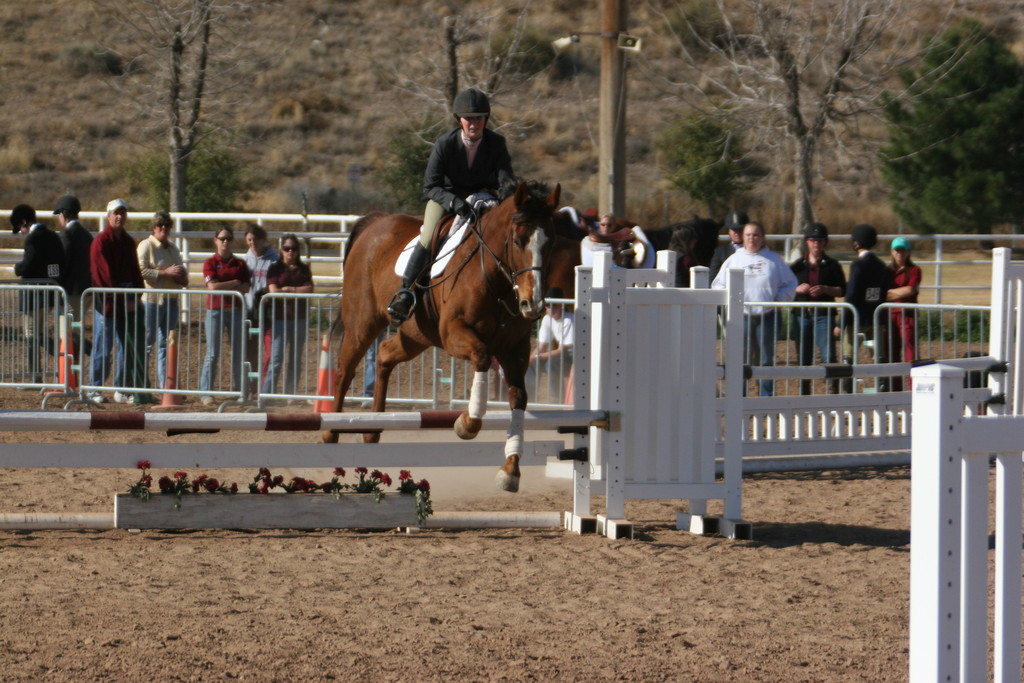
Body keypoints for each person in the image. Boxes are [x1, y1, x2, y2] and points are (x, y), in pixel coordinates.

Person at [387, 87, 515, 325]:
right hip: (446, 198)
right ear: (460, 120)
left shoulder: (497, 143)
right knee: (428, 235)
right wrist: (455, 203)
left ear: (485, 119)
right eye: (469, 119)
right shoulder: (445, 144)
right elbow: (430, 187)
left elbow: (506, 179)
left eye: (478, 118)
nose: (473, 123)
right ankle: (405, 292)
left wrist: (506, 196)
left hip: (482, 198)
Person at [712, 221, 798, 397]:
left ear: (763, 237)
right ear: (743, 237)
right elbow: (718, 284)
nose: (752, 238)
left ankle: (766, 397)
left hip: (767, 316)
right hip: (740, 317)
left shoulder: (774, 260)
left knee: (765, 359)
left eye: (756, 235)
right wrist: (729, 301)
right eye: (749, 235)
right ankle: (739, 397)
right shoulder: (734, 259)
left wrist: (779, 300)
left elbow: (790, 283)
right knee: (740, 358)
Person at [89, 199, 150, 405]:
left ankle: (121, 388)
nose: (119, 217)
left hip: (126, 303)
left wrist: (137, 295)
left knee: (126, 348)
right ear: (108, 216)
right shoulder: (101, 242)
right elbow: (104, 278)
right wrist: (126, 299)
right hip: (107, 305)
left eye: (122, 213)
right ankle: (94, 387)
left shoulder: (127, 241)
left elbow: (135, 271)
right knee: (102, 348)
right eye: (116, 213)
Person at [790, 222, 846, 394]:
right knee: (803, 357)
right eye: (813, 240)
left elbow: (842, 289)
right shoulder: (797, 266)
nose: (816, 244)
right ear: (807, 242)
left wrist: (825, 289)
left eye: (820, 240)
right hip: (802, 314)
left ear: (825, 242)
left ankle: (831, 394)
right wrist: (797, 289)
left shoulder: (833, 265)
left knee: (828, 355)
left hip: (824, 314)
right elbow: (786, 289)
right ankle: (804, 394)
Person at [11, 204, 65, 384]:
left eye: (20, 227)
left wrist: (17, 268)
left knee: (31, 334)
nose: (21, 231)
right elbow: (58, 264)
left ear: (24, 222)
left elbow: (28, 264)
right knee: (38, 333)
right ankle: (64, 354)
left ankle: (35, 375)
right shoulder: (53, 236)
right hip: (50, 292)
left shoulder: (32, 240)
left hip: (34, 295)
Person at [137, 210, 188, 390]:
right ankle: (141, 383)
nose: (164, 228)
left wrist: (181, 277)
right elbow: (141, 271)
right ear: (154, 227)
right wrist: (165, 272)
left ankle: (165, 385)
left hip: (171, 299)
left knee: (166, 344)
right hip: (152, 300)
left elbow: (182, 272)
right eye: (160, 225)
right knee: (147, 342)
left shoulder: (173, 248)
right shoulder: (146, 246)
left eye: (167, 225)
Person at [200, 226, 250, 404]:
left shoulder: (240, 264)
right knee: (212, 353)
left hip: (236, 311)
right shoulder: (210, 262)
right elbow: (212, 287)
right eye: (222, 238)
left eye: (228, 238)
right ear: (216, 240)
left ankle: (240, 390)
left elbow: (246, 287)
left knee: (238, 352)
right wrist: (235, 283)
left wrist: (226, 284)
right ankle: (206, 391)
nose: (225, 242)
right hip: (215, 311)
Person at [841, 223, 892, 393]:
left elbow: (852, 294)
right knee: (878, 356)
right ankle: (883, 389)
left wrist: (842, 321)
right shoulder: (882, 266)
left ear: (856, 243)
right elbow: (884, 292)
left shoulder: (857, 265)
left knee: (848, 356)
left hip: (857, 319)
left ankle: (847, 394)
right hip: (876, 318)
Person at [263, 234, 314, 395]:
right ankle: (269, 392)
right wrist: (296, 290)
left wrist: (289, 290)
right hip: (280, 318)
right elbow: (273, 291)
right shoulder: (275, 268)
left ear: (298, 251)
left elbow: (310, 289)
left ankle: (290, 392)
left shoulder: (304, 269)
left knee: (295, 358)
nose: (290, 252)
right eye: (287, 248)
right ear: (281, 250)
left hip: (299, 318)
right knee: (276, 358)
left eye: (294, 248)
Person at [243, 223, 279, 388]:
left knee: (270, 351)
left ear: (263, 240)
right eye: (249, 239)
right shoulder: (244, 261)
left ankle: (265, 386)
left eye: (256, 239)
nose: (253, 242)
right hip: (249, 311)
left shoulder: (274, 260)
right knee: (249, 351)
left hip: (268, 312)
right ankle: (250, 385)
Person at [886, 236, 922, 391]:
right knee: (892, 352)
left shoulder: (914, 270)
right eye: (897, 250)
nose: (900, 254)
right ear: (892, 252)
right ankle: (895, 390)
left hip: (907, 315)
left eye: (903, 250)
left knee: (910, 353)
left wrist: (891, 293)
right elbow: (903, 291)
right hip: (891, 315)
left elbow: (910, 289)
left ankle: (913, 388)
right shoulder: (887, 271)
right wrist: (900, 292)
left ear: (908, 252)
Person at [528, 287, 574, 402]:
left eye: (554, 305)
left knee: (551, 364)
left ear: (561, 306)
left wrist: (538, 356)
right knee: (532, 364)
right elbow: (541, 346)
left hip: (576, 358)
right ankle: (530, 398)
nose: (549, 308)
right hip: (563, 356)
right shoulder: (547, 319)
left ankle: (556, 401)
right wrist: (530, 359)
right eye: (548, 305)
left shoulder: (568, 320)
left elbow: (562, 350)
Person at [53, 194, 92, 323]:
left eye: (59, 214)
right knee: (76, 323)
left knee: (68, 327)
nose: (59, 218)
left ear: (64, 214)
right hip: (85, 288)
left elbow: (60, 261)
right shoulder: (87, 235)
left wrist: (52, 279)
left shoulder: (65, 235)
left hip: (70, 289)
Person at [709, 210, 748, 281]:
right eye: (734, 229)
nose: (737, 233)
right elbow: (713, 278)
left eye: (740, 229)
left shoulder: (755, 251)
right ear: (729, 231)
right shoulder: (720, 252)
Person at [668, 223, 699, 287]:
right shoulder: (685, 259)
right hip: (684, 294)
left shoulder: (668, 256)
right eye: (693, 238)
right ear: (687, 241)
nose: (695, 241)